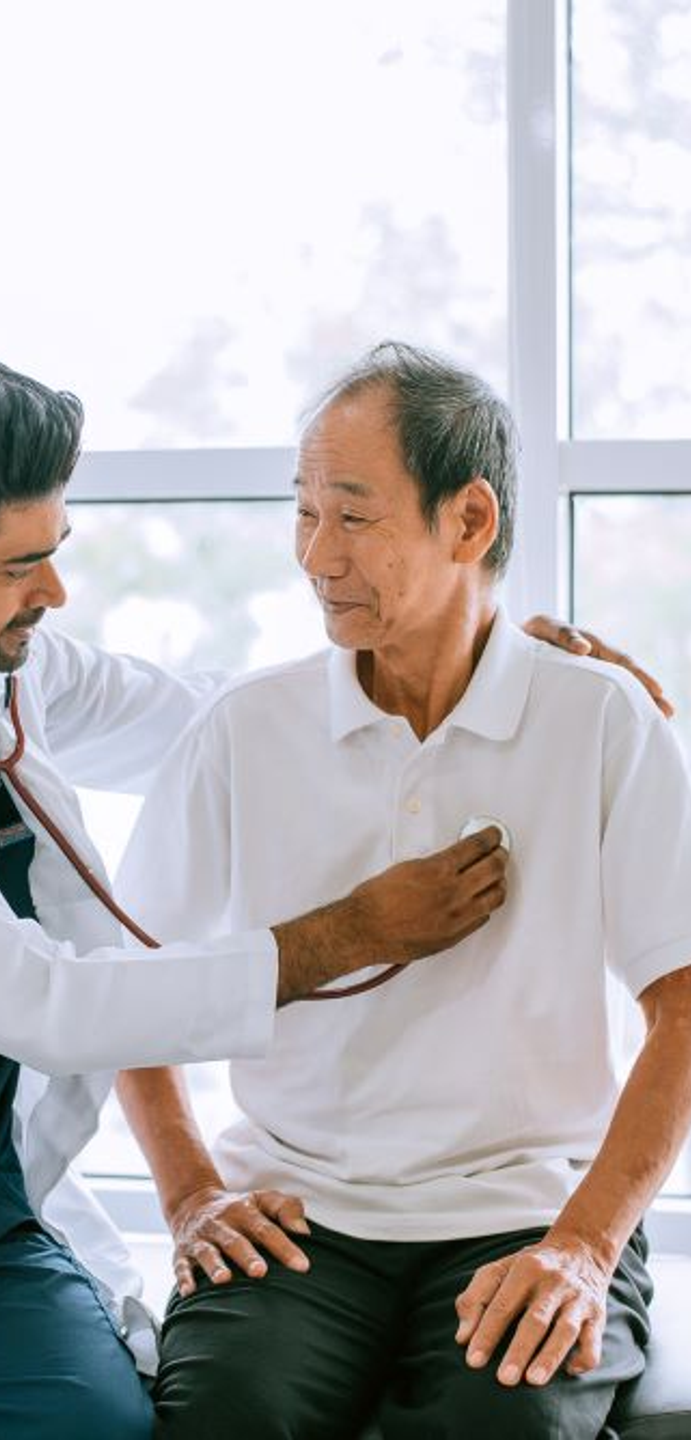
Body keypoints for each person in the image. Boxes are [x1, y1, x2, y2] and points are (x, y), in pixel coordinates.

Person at [0, 344, 656, 1440]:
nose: (55, 593)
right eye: (22, 566)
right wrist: (348, 934)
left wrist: (475, 649)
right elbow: (43, 998)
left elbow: (243, 718)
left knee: (104, 1431)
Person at [115, 341, 691, 1440]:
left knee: (503, 1428)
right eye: (302, 513)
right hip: (294, 1215)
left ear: (468, 521)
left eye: (352, 515)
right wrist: (191, 1196)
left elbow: (685, 1006)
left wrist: (583, 1244)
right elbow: (132, 989)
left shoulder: (601, 718)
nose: (315, 555)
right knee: (225, 1419)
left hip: (528, 1206)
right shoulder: (245, 728)